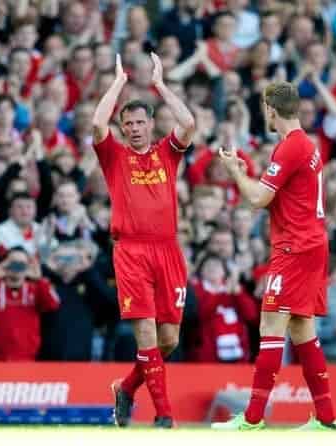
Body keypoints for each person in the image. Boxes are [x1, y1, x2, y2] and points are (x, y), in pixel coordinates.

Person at [212, 81, 336, 430]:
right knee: (302, 330)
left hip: (294, 247)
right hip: (311, 244)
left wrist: (236, 172)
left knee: (271, 327)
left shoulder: (290, 148)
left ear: (270, 108)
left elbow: (256, 199)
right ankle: (326, 418)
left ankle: (252, 419)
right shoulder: (306, 145)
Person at [91, 53, 195, 428]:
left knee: (168, 341)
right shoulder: (115, 157)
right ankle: (164, 416)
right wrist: (118, 83)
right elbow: (96, 122)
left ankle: (127, 387)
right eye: (128, 123)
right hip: (131, 252)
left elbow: (187, 122)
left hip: (168, 251)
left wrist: (161, 85)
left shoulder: (167, 153)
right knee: (147, 335)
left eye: (139, 121)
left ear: (151, 124)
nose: (134, 128)